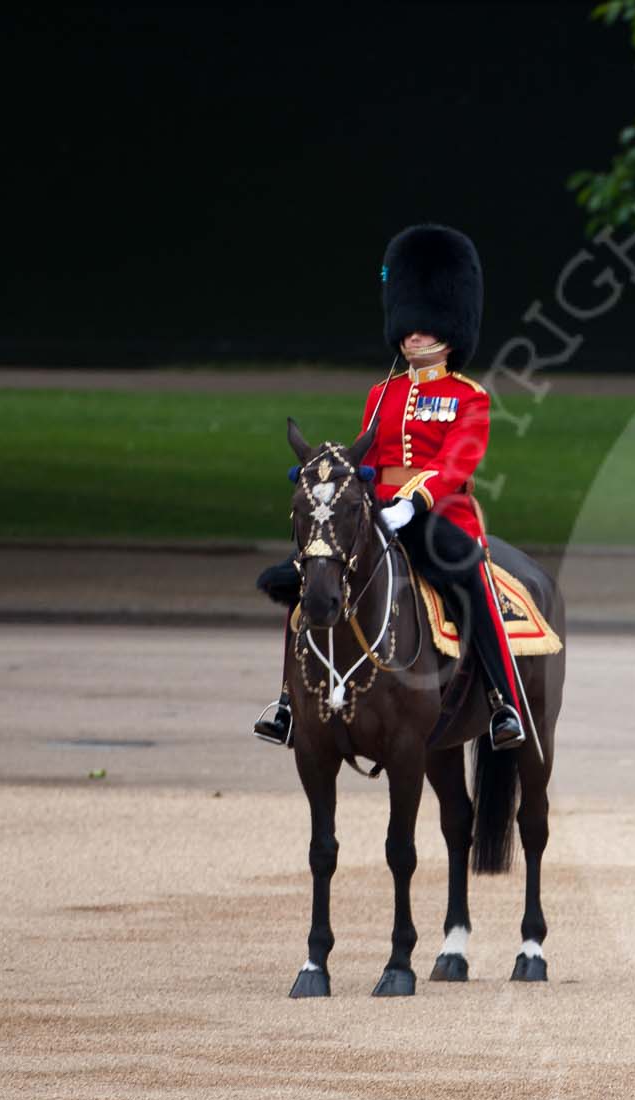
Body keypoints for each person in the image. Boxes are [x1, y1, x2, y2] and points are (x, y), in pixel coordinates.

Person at [253, 224, 527, 752]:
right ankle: (289, 703)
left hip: (440, 516)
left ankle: (502, 704)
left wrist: (411, 503)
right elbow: (369, 459)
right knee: (309, 573)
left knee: (471, 582)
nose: (413, 335)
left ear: (449, 326)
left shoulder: (468, 397)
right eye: (409, 326)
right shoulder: (383, 393)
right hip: (377, 513)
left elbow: (455, 462)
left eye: (424, 326)